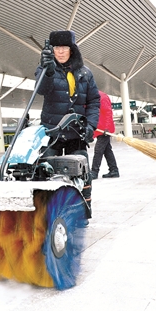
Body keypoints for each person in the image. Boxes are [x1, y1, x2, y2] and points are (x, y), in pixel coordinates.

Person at [36, 30, 100, 214]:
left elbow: (94, 101)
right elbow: (41, 90)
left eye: (64, 47)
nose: (60, 51)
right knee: (47, 172)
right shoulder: (45, 69)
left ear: (72, 49)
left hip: (77, 133)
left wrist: (90, 126)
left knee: (81, 174)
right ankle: (51, 213)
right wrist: (47, 71)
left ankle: (83, 211)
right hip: (52, 132)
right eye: (57, 47)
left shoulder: (85, 73)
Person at [91, 91, 119, 179]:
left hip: (104, 130)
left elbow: (107, 112)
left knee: (98, 150)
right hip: (100, 129)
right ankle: (114, 170)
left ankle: (94, 172)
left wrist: (106, 128)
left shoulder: (102, 97)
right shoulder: (92, 97)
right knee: (107, 150)